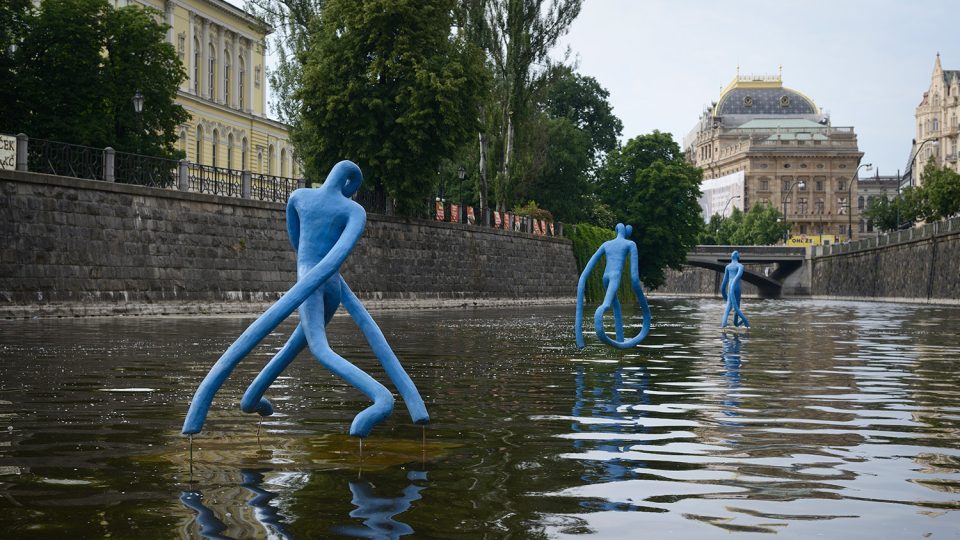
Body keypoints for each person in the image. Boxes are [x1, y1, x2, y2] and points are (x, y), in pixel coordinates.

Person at [182, 160, 428, 438]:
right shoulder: (353, 210)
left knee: (320, 348)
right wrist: (316, 275)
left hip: (311, 279)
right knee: (300, 345)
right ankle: (252, 400)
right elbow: (340, 251)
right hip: (328, 283)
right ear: (351, 184)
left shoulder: (299, 198)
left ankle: (381, 399)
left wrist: (306, 274)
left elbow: (297, 241)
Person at [574, 223, 651, 349]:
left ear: (616, 230)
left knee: (616, 306)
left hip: (605, 278)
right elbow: (634, 277)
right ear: (626, 232)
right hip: (615, 277)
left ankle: (618, 339)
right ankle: (600, 313)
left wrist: (582, 281)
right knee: (606, 304)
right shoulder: (630, 244)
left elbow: (585, 273)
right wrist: (638, 291)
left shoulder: (606, 244)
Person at [719, 250, 750, 328]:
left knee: (728, 307)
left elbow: (723, 285)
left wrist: (725, 295)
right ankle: (744, 322)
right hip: (736, 287)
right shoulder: (740, 266)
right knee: (737, 307)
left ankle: (725, 325)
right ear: (737, 256)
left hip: (730, 287)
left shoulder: (728, 267)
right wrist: (733, 284)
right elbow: (738, 275)